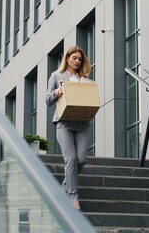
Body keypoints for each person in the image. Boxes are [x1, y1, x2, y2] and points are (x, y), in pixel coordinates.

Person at [45, 45, 92, 209]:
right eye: (74, 58)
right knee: (70, 159)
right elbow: (48, 100)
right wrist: (56, 93)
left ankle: (63, 188)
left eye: (80, 59)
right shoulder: (56, 76)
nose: (77, 61)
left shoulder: (85, 80)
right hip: (64, 123)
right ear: (67, 59)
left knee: (81, 160)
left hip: (82, 124)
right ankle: (73, 197)